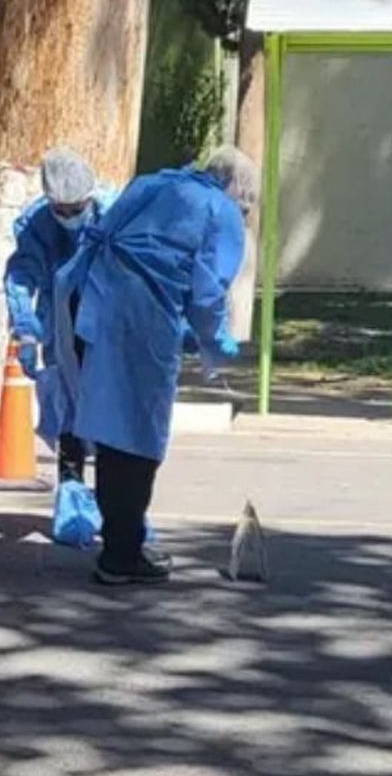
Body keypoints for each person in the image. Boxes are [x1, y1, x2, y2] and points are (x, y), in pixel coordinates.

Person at [53, 147, 257, 586]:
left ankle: (118, 544)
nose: (245, 209)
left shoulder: (153, 182)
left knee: (109, 432)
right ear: (237, 188)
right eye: (247, 201)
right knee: (140, 438)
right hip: (143, 322)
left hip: (92, 306)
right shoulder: (219, 211)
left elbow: (103, 233)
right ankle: (122, 553)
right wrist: (216, 346)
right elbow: (208, 290)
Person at [5, 147, 114, 486]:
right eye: (60, 210)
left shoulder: (116, 214)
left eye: (76, 209)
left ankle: (118, 506)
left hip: (108, 322)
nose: (68, 216)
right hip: (60, 321)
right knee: (67, 411)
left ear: (90, 197)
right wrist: (24, 327)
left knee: (111, 415)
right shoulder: (37, 224)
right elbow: (21, 275)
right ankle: (71, 492)